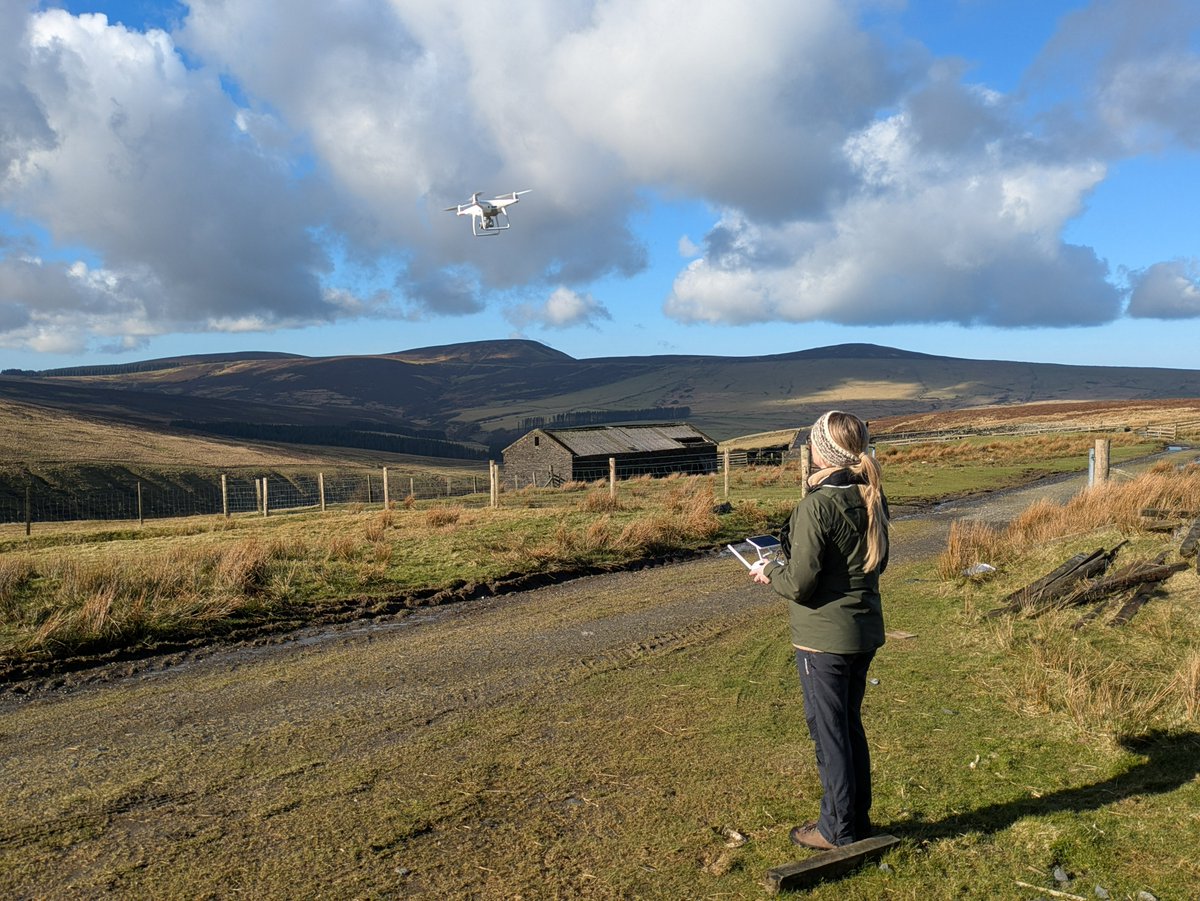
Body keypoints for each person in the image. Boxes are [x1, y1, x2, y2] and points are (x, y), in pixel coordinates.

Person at [748, 410, 888, 850]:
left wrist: (770, 570)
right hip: (863, 632)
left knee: (829, 733)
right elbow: (875, 563)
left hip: (823, 641)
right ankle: (855, 819)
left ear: (820, 452)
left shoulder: (817, 506)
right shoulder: (872, 496)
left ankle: (836, 830)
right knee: (848, 726)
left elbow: (799, 584)